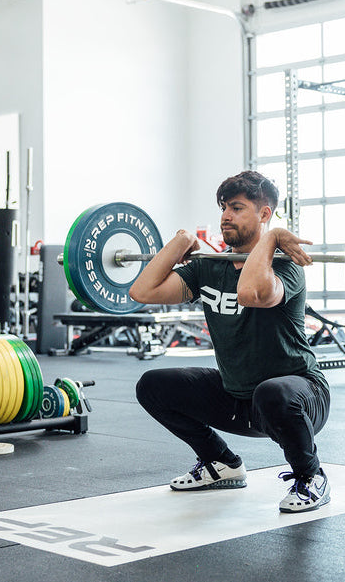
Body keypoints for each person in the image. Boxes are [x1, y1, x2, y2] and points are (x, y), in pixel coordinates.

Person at [130, 171, 331, 513]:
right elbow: (142, 291)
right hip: (238, 397)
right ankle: (220, 462)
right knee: (153, 386)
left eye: (237, 208)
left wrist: (271, 239)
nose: (226, 216)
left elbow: (250, 293)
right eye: (224, 207)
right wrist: (180, 241)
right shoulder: (209, 267)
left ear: (264, 214)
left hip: (299, 397)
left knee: (272, 392)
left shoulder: (286, 267)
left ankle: (311, 476)